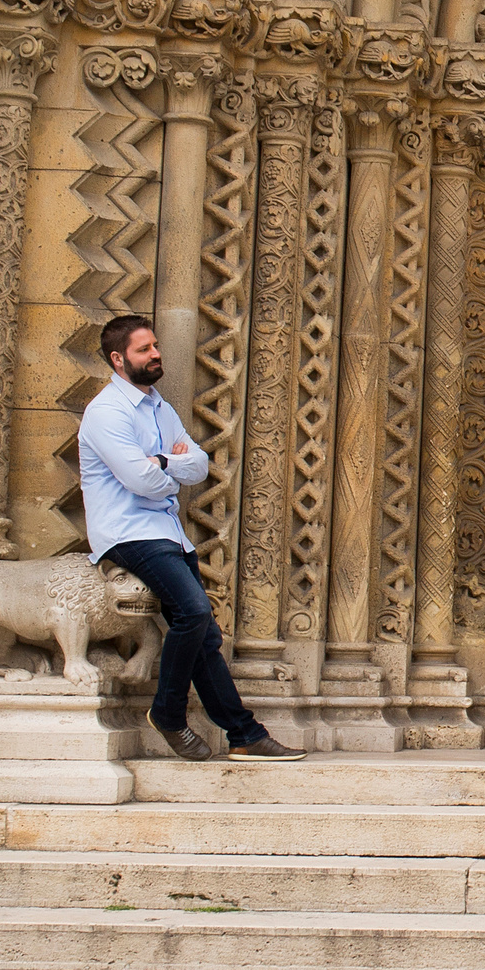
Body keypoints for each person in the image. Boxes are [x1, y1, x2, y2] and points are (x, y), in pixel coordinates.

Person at [78, 313, 304, 762]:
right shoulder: (106, 411)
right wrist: (168, 466)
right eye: (145, 349)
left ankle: (243, 733)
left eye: (156, 345)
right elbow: (140, 482)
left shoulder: (160, 407)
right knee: (194, 611)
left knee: (204, 637)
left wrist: (160, 464)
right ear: (119, 359)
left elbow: (199, 466)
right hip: (127, 533)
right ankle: (168, 713)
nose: (157, 353)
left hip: (166, 533)